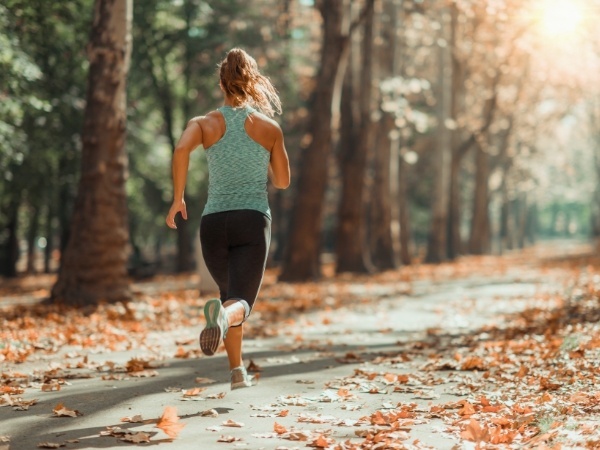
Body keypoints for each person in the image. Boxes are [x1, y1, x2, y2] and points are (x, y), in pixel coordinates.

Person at [165, 48, 290, 390]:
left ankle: (237, 372)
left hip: (213, 223)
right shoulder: (268, 128)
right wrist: (260, 155)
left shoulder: (203, 124)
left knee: (229, 296)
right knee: (241, 303)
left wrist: (178, 198)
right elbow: (282, 181)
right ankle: (221, 320)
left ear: (221, 82)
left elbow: (180, 150)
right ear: (252, 82)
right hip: (252, 221)